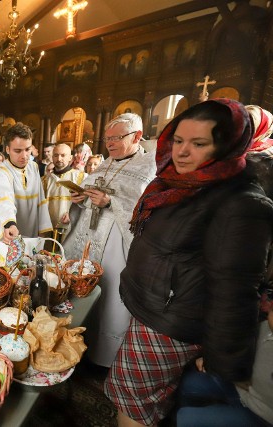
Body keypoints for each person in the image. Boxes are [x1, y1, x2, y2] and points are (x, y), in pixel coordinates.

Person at [104, 99, 273, 427]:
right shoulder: (183, 183)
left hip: (171, 321)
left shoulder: (241, 200)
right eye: (179, 140)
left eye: (198, 143)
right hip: (158, 309)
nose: (181, 152)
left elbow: (234, 288)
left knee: (132, 403)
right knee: (139, 395)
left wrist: (221, 359)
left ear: (227, 144)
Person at [62, 113, 156, 368]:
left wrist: (111, 201)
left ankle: (105, 357)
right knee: (82, 289)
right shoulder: (104, 165)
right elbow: (87, 196)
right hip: (88, 240)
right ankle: (75, 349)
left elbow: (145, 209)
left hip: (116, 244)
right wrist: (78, 202)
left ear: (137, 136)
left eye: (116, 138)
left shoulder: (148, 167)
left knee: (111, 294)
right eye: (107, 139)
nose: (110, 144)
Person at [176, 308, 273, 427]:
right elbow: (242, 345)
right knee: (188, 383)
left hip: (258, 412)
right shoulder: (266, 326)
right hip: (239, 381)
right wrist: (215, 358)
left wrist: (229, 371)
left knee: (185, 418)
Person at [0, 122, 52, 242]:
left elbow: (40, 199)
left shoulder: (33, 167)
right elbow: (4, 201)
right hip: (9, 233)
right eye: (18, 151)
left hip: (32, 233)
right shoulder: (1, 172)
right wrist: (10, 224)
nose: (24, 156)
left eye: (27, 149)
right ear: (7, 149)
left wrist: (42, 231)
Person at [42, 143, 87, 239]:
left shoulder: (81, 177)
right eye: (56, 155)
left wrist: (72, 214)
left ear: (70, 158)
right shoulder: (44, 180)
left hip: (71, 227)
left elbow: (87, 203)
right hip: (48, 229)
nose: (59, 159)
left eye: (63, 155)